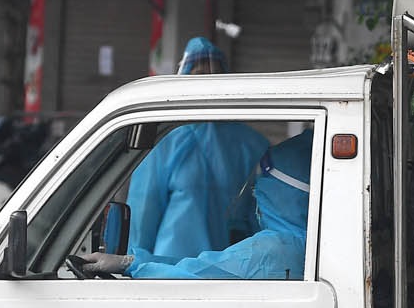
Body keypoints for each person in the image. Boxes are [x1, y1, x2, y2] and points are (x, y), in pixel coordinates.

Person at [81, 131, 313, 281]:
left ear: (283, 192)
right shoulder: (312, 244)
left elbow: (193, 274)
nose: (255, 192)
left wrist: (129, 262)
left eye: (264, 183)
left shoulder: (268, 252)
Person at [125, 39, 269, 258]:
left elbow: (262, 219)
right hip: (167, 272)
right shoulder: (165, 142)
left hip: (228, 273)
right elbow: (144, 212)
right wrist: (132, 264)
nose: (207, 83)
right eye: (200, 75)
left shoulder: (251, 145)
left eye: (214, 76)